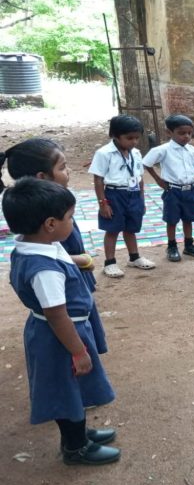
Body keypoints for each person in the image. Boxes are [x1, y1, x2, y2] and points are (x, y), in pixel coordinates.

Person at [2, 177, 120, 465]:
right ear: (51, 224)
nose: (73, 221)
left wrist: (79, 260)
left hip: (62, 331)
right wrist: (78, 351)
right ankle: (75, 447)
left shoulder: (37, 245)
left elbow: (60, 259)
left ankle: (80, 433)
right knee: (65, 390)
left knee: (74, 388)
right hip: (60, 337)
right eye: (70, 217)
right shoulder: (44, 270)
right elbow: (56, 314)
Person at [1, 138, 109, 356]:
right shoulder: (48, 238)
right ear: (42, 177)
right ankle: (80, 349)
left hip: (71, 287)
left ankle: (85, 347)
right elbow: (56, 312)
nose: (68, 171)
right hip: (67, 303)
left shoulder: (44, 221)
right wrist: (82, 261)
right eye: (62, 167)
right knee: (73, 348)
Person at [89, 114, 155, 278]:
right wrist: (103, 203)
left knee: (131, 227)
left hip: (133, 194)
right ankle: (110, 263)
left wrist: (141, 200)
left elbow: (140, 178)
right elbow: (98, 179)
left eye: (137, 138)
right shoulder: (104, 153)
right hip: (114, 195)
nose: (134, 142)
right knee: (112, 229)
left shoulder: (136, 153)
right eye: (129, 138)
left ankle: (134, 257)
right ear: (115, 135)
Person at [143, 114, 194, 262]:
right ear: (169, 132)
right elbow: (146, 163)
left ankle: (189, 245)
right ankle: (172, 246)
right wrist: (158, 180)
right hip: (173, 190)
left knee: (188, 218)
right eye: (181, 133)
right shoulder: (163, 150)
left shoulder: (193, 150)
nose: (186, 136)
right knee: (171, 220)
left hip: (190, 190)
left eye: (189, 133)